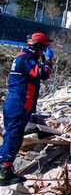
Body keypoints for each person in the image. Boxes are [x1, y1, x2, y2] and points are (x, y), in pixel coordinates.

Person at [0, 32, 53, 186]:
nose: (44, 52)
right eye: (43, 49)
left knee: (12, 135)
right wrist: (48, 60)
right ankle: (4, 172)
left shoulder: (23, 57)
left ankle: (4, 166)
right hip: (19, 104)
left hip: (17, 102)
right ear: (38, 47)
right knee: (14, 137)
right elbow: (43, 74)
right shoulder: (26, 59)